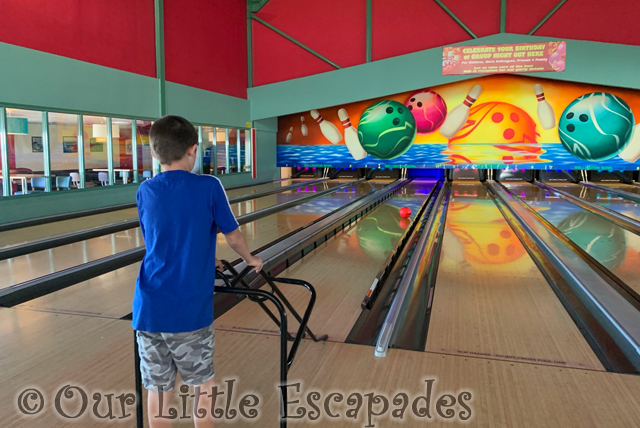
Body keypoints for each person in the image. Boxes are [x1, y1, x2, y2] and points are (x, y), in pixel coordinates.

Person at [133, 115, 263, 428]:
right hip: (188, 309)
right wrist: (250, 258)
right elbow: (232, 235)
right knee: (202, 385)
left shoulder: (146, 190)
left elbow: (160, 240)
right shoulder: (209, 185)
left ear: (154, 153)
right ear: (193, 150)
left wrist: (207, 258)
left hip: (148, 309)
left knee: (158, 389)